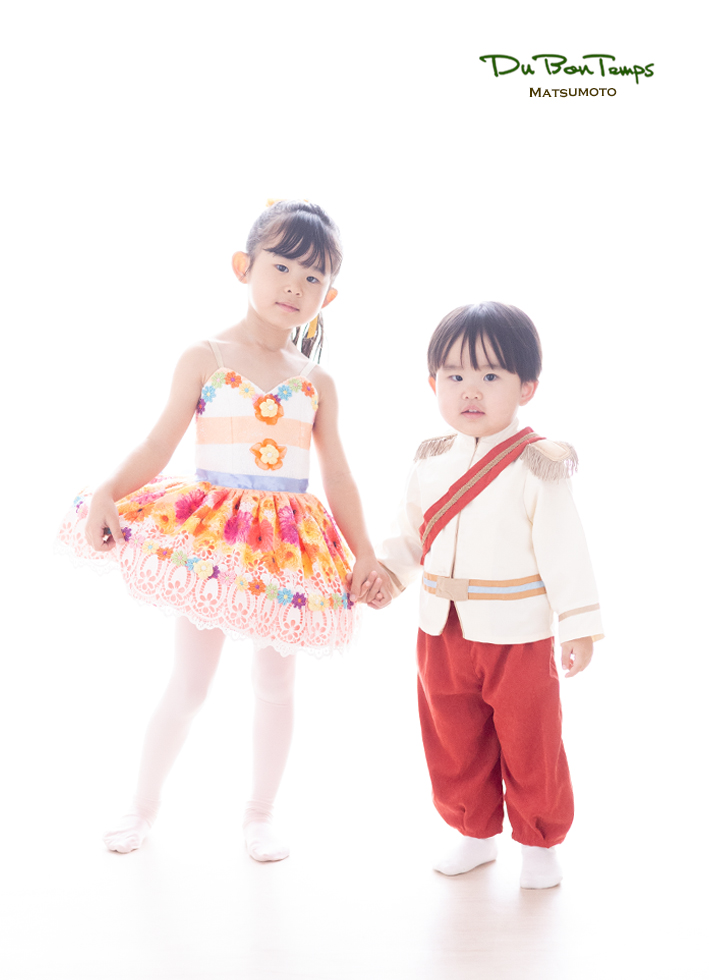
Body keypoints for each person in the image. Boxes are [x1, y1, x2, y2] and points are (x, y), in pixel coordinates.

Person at [58, 200, 391, 860]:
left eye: (314, 277)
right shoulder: (204, 357)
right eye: (282, 267)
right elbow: (158, 444)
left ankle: (259, 815)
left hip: (284, 553)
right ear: (244, 266)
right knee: (190, 684)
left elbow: (339, 476)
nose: (295, 286)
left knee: (276, 685)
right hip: (212, 543)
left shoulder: (317, 382)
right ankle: (141, 806)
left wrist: (365, 555)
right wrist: (106, 492)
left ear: (329, 296)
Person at [376, 302, 603, 889]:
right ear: (433, 384)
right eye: (454, 375)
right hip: (440, 629)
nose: (470, 390)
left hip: (516, 633)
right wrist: (384, 578)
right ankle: (474, 833)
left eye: (491, 375)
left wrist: (578, 626)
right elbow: (409, 536)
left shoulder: (538, 464)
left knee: (531, 740)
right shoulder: (430, 462)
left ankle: (539, 843)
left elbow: (565, 550)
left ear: (527, 387)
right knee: (453, 737)